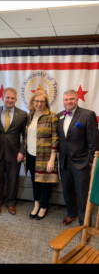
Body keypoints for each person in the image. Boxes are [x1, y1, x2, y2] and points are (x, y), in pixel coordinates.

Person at [57, 89, 98, 234]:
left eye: (71, 99)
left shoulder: (88, 115)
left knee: (82, 195)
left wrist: (89, 161)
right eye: (66, 99)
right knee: (67, 192)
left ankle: (84, 225)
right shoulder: (59, 116)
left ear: (77, 99)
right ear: (63, 101)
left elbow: (94, 141)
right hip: (64, 162)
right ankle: (71, 213)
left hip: (81, 162)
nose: (68, 102)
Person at [0, 87, 27, 215]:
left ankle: (11, 202)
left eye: (12, 98)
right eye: (7, 97)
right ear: (3, 98)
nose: (10, 100)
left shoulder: (22, 114)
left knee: (13, 179)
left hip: (14, 153)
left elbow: (25, 135)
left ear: (16, 99)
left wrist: (22, 151)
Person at [24, 90, 59, 220]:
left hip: (46, 156)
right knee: (35, 180)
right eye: (36, 101)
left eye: (42, 101)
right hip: (31, 154)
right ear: (33, 102)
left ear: (46, 103)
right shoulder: (30, 115)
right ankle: (36, 204)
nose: (39, 103)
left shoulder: (52, 116)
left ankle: (44, 207)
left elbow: (55, 138)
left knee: (45, 182)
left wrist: (52, 159)